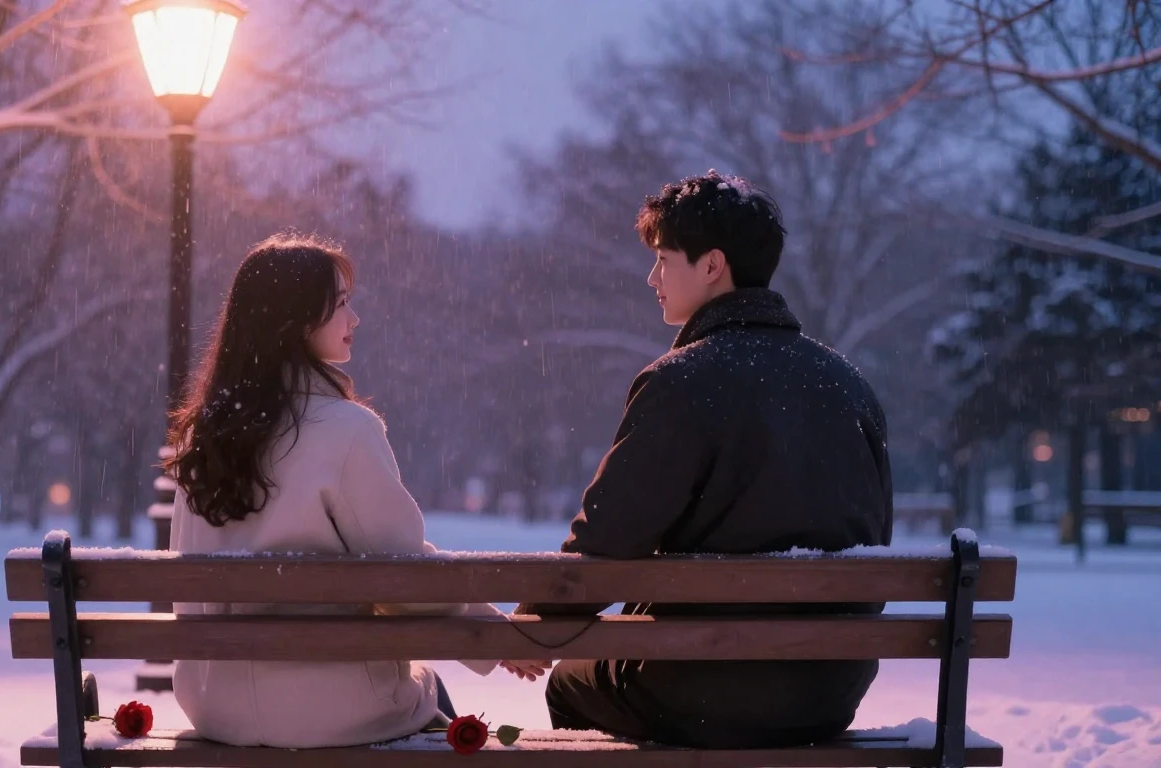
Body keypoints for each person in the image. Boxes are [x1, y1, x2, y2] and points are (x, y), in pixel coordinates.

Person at [514, 171, 894, 749]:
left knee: (571, 684)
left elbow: (610, 538)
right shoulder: (847, 384)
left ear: (713, 265)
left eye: (664, 259)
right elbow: (873, 533)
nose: (653, 278)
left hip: (696, 684)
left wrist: (539, 619)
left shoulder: (682, 382)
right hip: (827, 690)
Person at [165, 234, 548, 749]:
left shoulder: (202, 435)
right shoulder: (346, 430)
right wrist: (493, 636)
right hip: (327, 709)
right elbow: (406, 579)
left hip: (216, 707)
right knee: (427, 691)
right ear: (298, 321)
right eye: (341, 303)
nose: (356, 318)